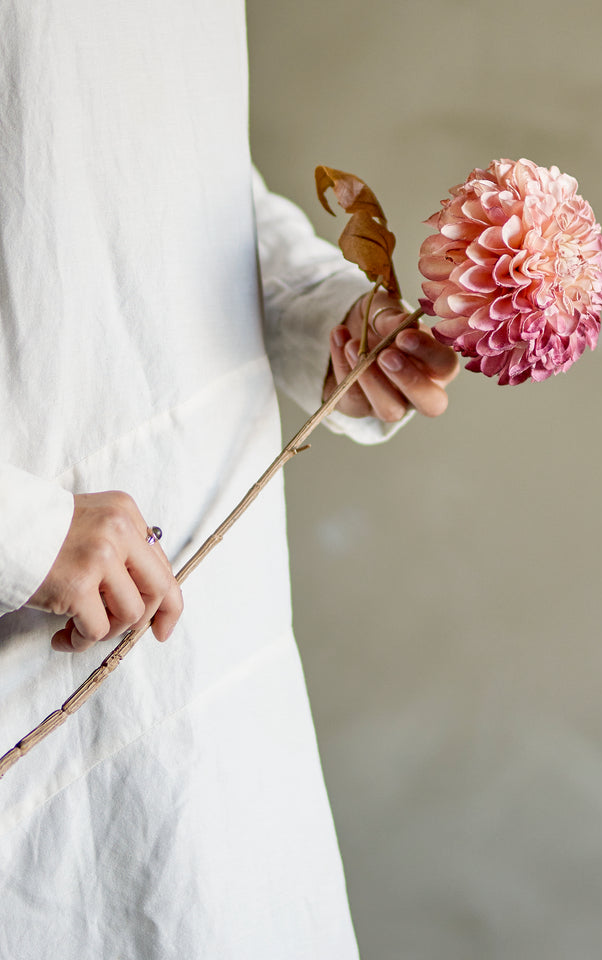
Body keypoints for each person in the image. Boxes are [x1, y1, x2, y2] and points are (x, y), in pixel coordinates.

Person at [0, 2, 458, 957]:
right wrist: (20, 529)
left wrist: (320, 312)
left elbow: (167, 154)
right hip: (25, 661)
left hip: (217, 661)